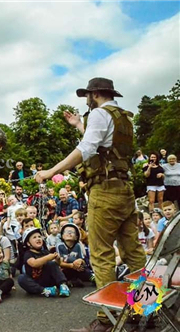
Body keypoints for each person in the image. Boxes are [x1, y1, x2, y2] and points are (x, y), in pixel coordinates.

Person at [36, 77, 146, 331]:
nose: (86, 99)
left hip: (105, 192)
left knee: (102, 255)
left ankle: (106, 319)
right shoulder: (124, 118)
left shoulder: (98, 113)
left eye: (87, 94)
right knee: (135, 254)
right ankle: (146, 309)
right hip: (125, 191)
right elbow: (104, 147)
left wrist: (52, 171)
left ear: (95, 94)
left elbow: (86, 149)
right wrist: (78, 125)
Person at [17, 227, 70, 298]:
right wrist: (48, 257)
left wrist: (57, 258)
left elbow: (57, 264)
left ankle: (63, 285)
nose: (38, 238)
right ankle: (44, 290)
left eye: (39, 236)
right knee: (21, 278)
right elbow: (34, 263)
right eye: (34, 237)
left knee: (52, 264)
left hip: (47, 279)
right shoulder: (28, 254)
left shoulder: (45, 252)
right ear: (28, 243)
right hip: (35, 281)